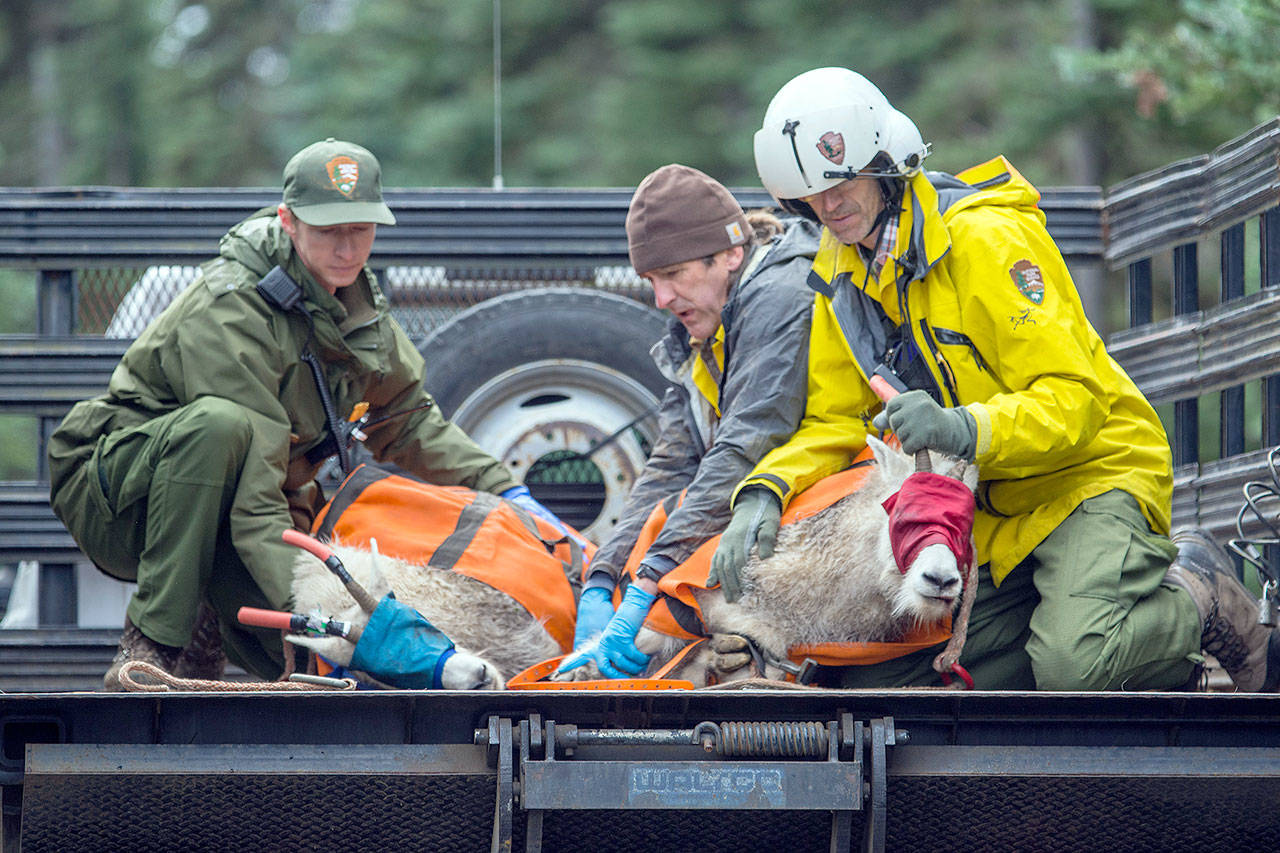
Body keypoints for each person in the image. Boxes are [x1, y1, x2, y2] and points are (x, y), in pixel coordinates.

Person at [712, 67, 1279, 692]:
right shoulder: (842, 275)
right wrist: (764, 489)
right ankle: (1084, 621)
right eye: (810, 196)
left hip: (1088, 482)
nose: (830, 205)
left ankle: (1198, 592)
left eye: (844, 181)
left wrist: (959, 428)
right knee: (888, 676)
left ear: (885, 164)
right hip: (989, 511)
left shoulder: (987, 239)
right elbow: (835, 420)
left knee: (1076, 670)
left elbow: (1074, 400)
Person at [48, 138, 572, 689]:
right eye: (328, 230)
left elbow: (408, 419)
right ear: (288, 221)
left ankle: (207, 617)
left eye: (360, 229)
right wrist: (341, 620)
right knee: (219, 429)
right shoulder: (232, 308)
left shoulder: (349, 301)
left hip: (232, 497)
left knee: (321, 672)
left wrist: (508, 493)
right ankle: (152, 641)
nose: (347, 249)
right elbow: (254, 497)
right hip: (121, 492)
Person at [557, 164, 818, 679]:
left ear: (731, 254)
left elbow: (742, 449)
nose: (661, 299)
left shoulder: (781, 297)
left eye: (673, 275)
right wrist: (602, 580)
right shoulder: (705, 325)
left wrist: (643, 590)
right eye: (651, 281)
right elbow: (671, 469)